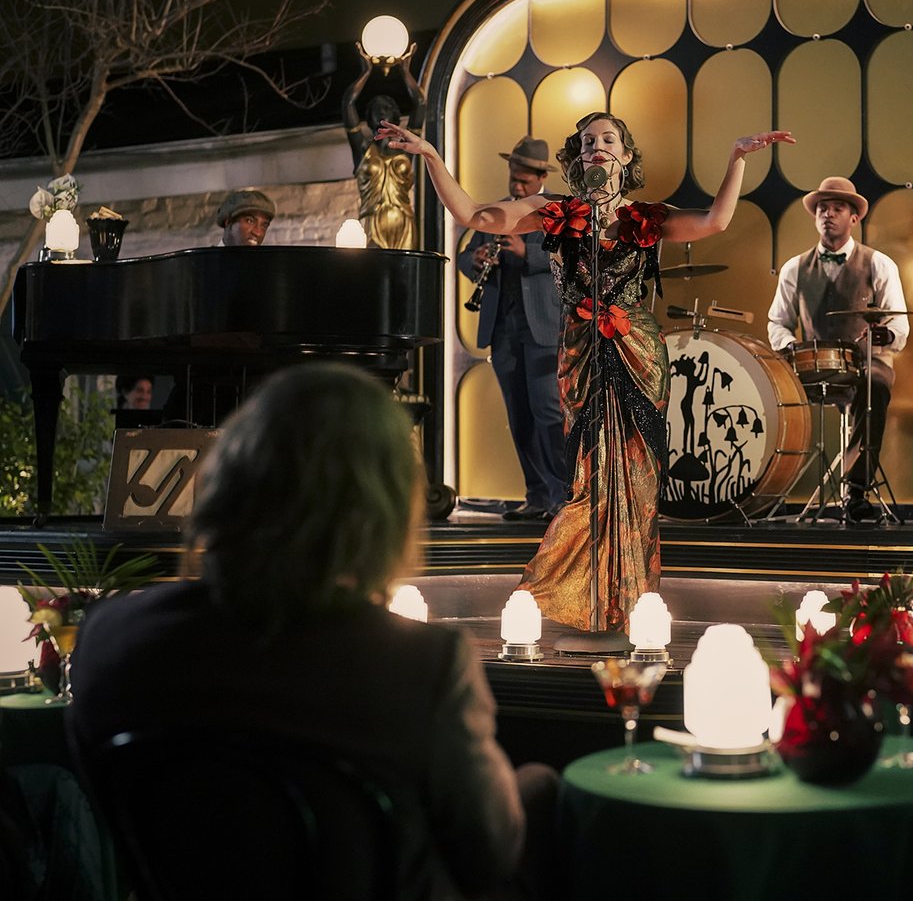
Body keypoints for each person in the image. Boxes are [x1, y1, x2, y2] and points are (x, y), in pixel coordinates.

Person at [69, 363, 554, 900]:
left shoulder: (108, 640)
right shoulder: (423, 666)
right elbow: (489, 853)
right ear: (380, 510)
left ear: (221, 483)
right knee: (542, 791)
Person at [379, 113, 792, 633]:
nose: (597, 146)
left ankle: (629, 601)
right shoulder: (552, 211)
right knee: (589, 475)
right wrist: (432, 156)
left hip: (639, 352)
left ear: (625, 154)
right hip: (581, 349)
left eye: (608, 139)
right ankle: (582, 595)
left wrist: (736, 158)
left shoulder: (646, 217)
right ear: (578, 155)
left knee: (636, 476)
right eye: (588, 140)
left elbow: (714, 221)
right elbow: (473, 214)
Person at [767, 176, 908, 523]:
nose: (828, 214)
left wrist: (883, 335)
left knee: (874, 385)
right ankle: (769, 491)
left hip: (868, 362)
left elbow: (899, 325)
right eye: (822, 209)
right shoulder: (794, 268)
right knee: (767, 387)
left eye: (837, 209)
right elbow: (777, 323)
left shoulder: (879, 263)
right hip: (813, 365)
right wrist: (790, 346)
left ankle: (856, 492)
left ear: (854, 218)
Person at [456, 137, 567, 522]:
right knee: (519, 416)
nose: (517, 186)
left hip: (543, 327)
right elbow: (463, 257)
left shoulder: (556, 212)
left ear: (540, 177)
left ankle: (564, 497)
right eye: (513, 178)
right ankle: (537, 495)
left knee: (548, 412)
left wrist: (528, 254)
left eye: (524, 180)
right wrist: (476, 259)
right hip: (503, 326)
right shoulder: (497, 211)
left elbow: (569, 259)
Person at [343, 44, 424, 249]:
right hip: (371, 221)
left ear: (395, 116)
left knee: (406, 269)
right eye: (376, 109)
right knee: (371, 267)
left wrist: (405, 72)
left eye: (387, 108)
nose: (382, 112)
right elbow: (348, 104)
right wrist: (366, 72)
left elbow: (420, 104)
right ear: (369, 118)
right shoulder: (363, 148)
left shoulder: (406, 147)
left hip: (403, 221)